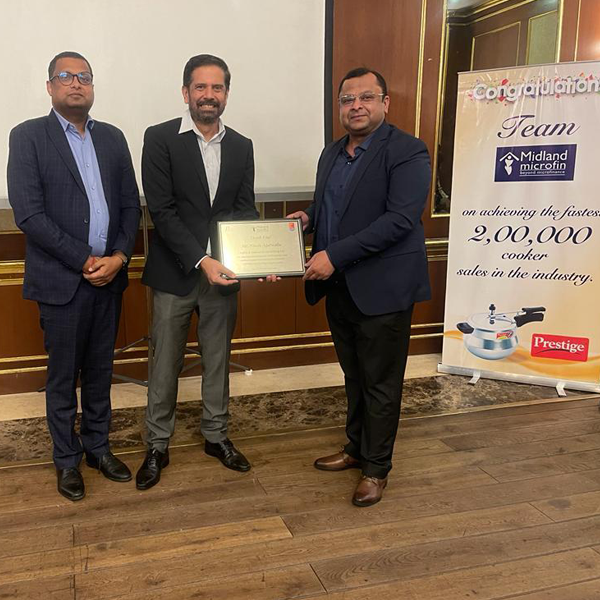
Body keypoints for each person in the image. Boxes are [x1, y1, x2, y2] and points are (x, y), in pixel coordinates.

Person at [288, 67, 431, 507]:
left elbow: (398, 220)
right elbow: (334, 202)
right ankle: (355, 448)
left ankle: (377, 468)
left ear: (385, 102)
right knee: (354, 375)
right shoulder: (332, 153)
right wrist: (308, 218)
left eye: (366, 97)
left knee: (381, 382)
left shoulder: (408, 151)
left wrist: (335, 254)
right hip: (341, 289)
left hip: (382, 288)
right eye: (347, 99)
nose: (356, 106)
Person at [7, 51, 141, 501]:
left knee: (101, 371)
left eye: (84, 77)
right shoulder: (27, 137)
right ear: (50, 86)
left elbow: (128, 205)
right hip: (64, 282)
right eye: (66, 76)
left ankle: (97, 448)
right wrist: (85, 260)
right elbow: (29, 214)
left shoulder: (113, 138)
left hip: (111, 278)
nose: (76, 83)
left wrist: (119, 256)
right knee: (64, 377)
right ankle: (66, 461)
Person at [136, 54, 258, 490]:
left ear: (226, 93)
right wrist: (201, 260)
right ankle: (157, 444)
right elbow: (163, 212)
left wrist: (258, 260)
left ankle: (216, 436)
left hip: (224, 276)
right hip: (175, 274)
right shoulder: (160, 138)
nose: (209, 96)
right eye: (200, 88)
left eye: (218, 88)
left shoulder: (242, 145)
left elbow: (244, 210)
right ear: (186, 92)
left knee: (218, 361)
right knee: (164, 363)